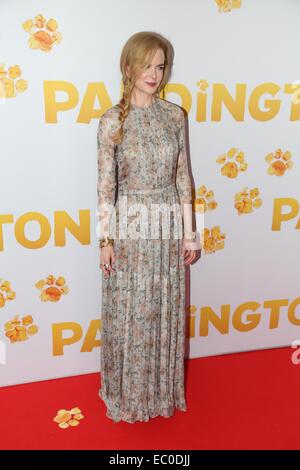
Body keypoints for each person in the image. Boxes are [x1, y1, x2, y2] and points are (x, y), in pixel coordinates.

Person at [96, 31, 201, 424]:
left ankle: (159, 392)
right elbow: (106, 187)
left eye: (161, 66)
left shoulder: (175, 115)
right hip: (131, 226)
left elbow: (182, 179)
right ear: (128, 67)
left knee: (163, 307)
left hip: (168, 223)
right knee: (132, 309)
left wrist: (190, 232)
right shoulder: (111, 121)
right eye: (147, 65)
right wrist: (105, 240)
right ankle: (128, 392)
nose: (155, 74)